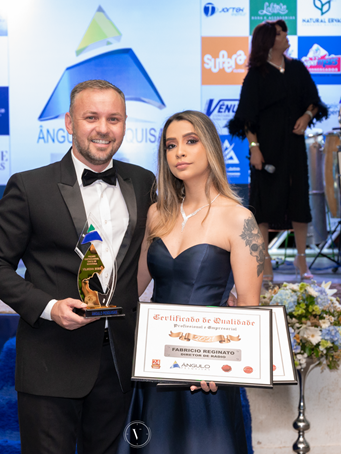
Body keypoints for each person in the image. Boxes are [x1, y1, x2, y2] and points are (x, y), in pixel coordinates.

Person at [0, 80, 155, 454]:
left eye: (114, 118)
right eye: (91, 117)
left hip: (120, 363)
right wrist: (49, 307)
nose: (103, 128)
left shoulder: (143, 182)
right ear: (69, 123)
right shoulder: (29, 186)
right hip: (51, 361)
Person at [118, 111, 264, 454]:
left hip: (208, 372)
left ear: (210, 146)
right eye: (171, 145)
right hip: (156, 363)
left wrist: (222, 366)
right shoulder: (156, 214)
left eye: (190, 141)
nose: (179, 152)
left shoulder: (240, 218)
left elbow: (249, 305)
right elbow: (134, 286)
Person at [228, 19, 327, 284]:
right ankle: (265, 259)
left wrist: (306, 116)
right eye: (281, 33)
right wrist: (254, 148)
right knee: (263, 204)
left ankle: (301, 258)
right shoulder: (255, 75)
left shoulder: (298, 68)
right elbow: (247, 117)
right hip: (266, 148)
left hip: (294, 147)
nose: (286, 37)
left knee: (299, 201)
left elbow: (314, 102)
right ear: (269, 40)